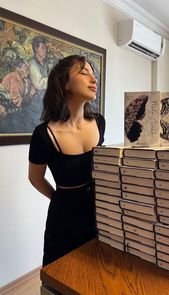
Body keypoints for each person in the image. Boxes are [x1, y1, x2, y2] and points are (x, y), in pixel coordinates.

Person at [28, 55, 105, 266]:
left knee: (99, 275)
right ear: (65, 83)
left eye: (93, 73)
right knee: (60, 277)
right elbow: (35, 178)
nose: (93, 79)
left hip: (101, 214)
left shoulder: (99, 122)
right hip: (64, 221)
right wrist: (60, 199)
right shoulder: (43, 134)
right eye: (84, 72)